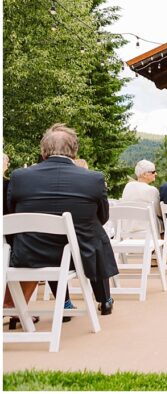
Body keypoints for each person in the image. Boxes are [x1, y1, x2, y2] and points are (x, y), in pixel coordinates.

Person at [7, 124, 119, 315]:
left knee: (49, 240)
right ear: (74, 150)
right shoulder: (94, 179)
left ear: (43, 150)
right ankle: (105, 299)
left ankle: (64, 303)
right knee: (95, 235)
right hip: (80, 255)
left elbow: (12, 214)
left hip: (30, 254)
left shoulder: (19, 177)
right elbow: (103, 216)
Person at [121, 159, 164, 232]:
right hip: (147, 229)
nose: (156, 174)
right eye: (153, 172)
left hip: (127, 227)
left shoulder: (128, 186)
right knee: (165, 223)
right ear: (144, 174)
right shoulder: (151, 190)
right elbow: (159, 212)